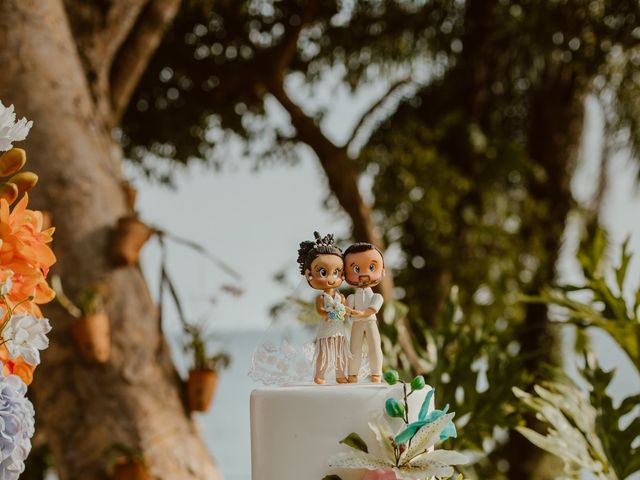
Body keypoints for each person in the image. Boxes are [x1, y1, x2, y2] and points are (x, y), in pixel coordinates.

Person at [297, 232, 359, 384]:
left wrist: (346, 312)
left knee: (340, 353)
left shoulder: (341, 297)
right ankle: (319, 375)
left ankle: (340, 375)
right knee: (323, 353)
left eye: (336, 272)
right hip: (326, 329)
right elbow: (320, 312)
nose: (331, 278)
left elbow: (345, 311)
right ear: (309, 274)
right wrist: (331, 313)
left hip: (339, 330)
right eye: (324, 273)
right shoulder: (321, 298)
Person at [343, 242, 385, 383]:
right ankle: (352, 374)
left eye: (372, 267)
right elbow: (346, 311)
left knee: (374, 346)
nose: (364, 274)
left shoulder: (376, 296)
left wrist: (359, 313)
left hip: (370, 322)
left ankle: (376, 373)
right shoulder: (352, 297)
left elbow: (372, 309)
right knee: (354, 348)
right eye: (356, 269)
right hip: (356, 323)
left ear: (382, 271)